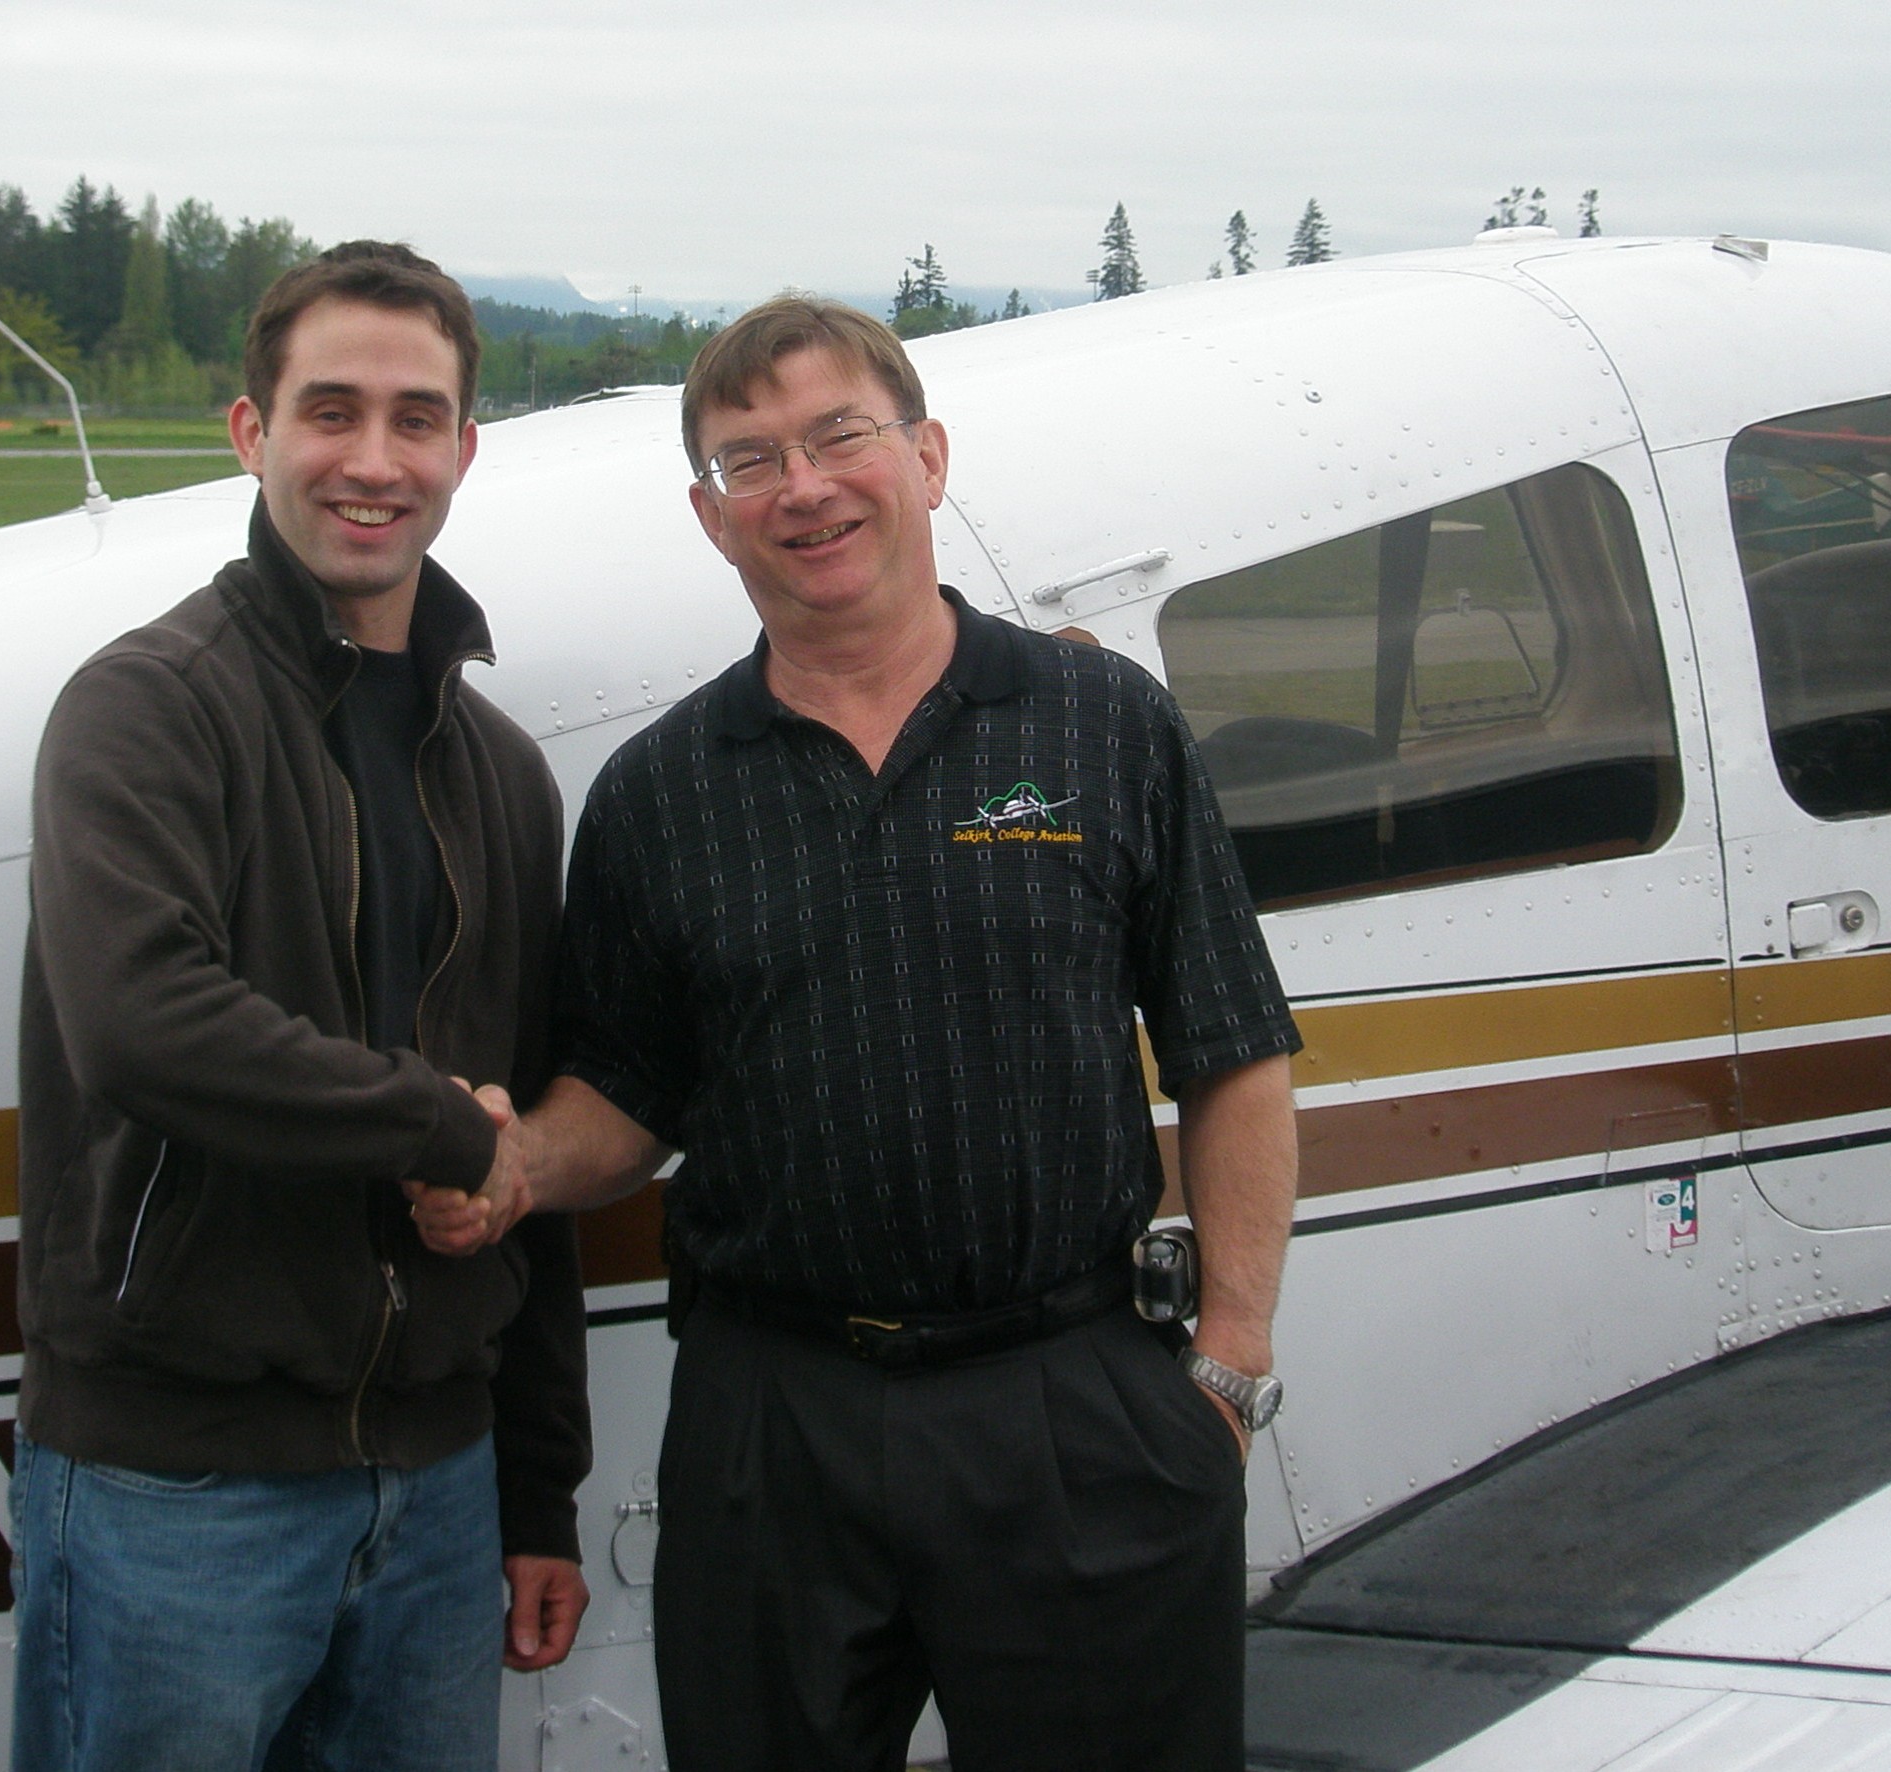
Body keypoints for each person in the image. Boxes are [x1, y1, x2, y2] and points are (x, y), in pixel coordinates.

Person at [419, 297, 1302, 1771]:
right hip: (775, 1424)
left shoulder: (1098, 722)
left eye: (840, 435)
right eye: (748, 460)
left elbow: (1231, 1048)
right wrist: (514, 1169)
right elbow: (625, 1096)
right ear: (711, 520)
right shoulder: (659, 792)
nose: (803, 486)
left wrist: (1228, 1363)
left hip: (1071, 1397)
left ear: (928, 457)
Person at [11, 240, 590, 1772]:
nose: (373, 460)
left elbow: (524, 1144)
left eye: (416, 419)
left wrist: (537, 1493)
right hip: (176, 1487)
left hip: (443, 1484)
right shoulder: (146, 709)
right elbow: (141, 1022)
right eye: (329, 411)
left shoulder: (501, 773)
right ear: (250, 433)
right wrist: (433, 1126)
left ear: (465, 448)